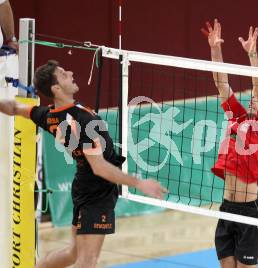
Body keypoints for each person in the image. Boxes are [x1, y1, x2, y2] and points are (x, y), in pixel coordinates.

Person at [0, 60, 168, 268]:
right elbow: (100, 167)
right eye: (63, 74)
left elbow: (14, 108)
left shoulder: (49, 115)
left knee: (74, 253)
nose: (70, 71)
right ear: (56, 88)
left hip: (84, 184)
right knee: (87, 261)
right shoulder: (81, 122)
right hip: (97, 191)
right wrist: (139, 183)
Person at [201, 19, 258, 268]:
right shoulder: (238, 115)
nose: (254, 99)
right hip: (227, 208)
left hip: (251, 213)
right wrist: (215, 49)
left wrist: (252, 54)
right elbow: (221, 84)